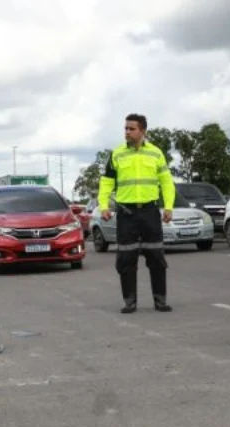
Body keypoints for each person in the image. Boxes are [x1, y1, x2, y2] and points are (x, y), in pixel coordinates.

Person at [97, 113, 175, 313]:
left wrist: (168, 207)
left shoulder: (156, 153)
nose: (127, 132)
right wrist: (104, 206)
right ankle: (129, 302)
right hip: (126, 213)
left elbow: (166, 182)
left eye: (131, 129)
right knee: (126, 259)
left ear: (143, 131)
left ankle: (160, 300)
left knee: (156, 257)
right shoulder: (117, 154)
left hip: (149, 211)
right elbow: (106, 182)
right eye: (126, 128)